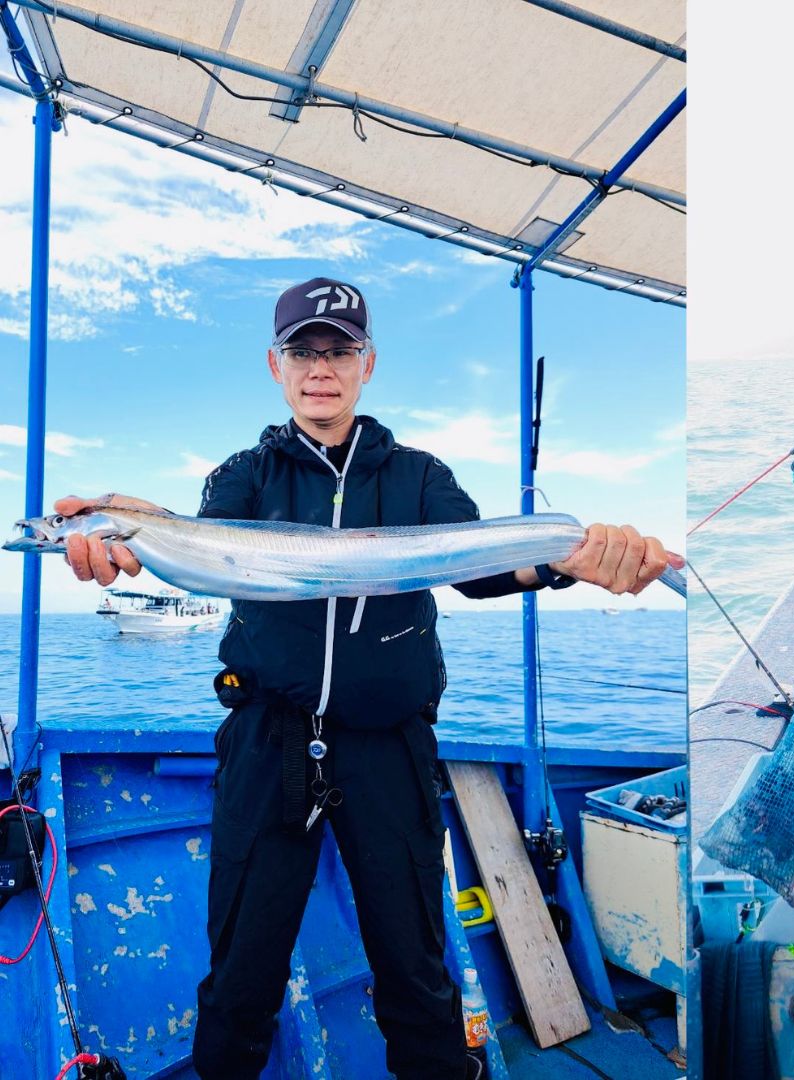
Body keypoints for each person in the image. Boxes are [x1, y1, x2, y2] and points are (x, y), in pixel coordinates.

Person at [54, 277, 682, 1080]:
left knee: (418, 973)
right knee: (242, 974)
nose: (322, 367)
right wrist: (130, 523)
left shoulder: (417, 477)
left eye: (339, 350)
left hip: (389, 747)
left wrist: (568, 564)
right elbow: (198, 547)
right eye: (303, 351)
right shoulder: (244, 476)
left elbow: (479, 569)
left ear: (368, 364)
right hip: (266, 741)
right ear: (275, 366)